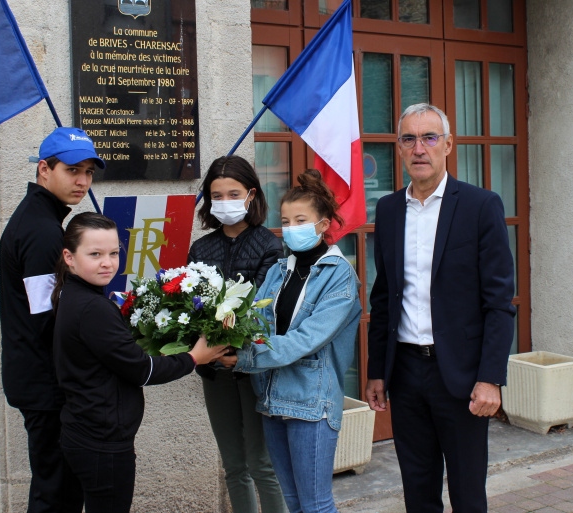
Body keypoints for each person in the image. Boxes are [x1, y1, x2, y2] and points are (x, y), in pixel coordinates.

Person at [365, 103, 516, 513]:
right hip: (407, 372)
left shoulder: (480, 205)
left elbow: (499, 303)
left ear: (448, 144)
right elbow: (384, 297)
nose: (420, 148)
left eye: (430, 137)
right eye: (410, 139)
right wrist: (377, 370)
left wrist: (490, 378)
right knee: (417, 489)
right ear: (398, 148)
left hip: (462, 376)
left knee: (468, 494)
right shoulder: (390, 209)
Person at [51, 213, 228, 512]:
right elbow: (142, 370)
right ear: (69, 257)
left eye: (113, 253)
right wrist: (195, 357)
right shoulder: (93, 308)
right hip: (101, 443)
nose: (107, 262)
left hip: (83, 432)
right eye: (95, 254)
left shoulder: (75, 295)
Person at [221, 169, 363, 513]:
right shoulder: (278, 270)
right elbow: (256, 322)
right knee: (294, 504)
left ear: (324, 224)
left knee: (316, 505)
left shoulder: (339, 276)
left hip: (311, 404)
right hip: (271, 399)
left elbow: (306, 340)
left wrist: (243, 359)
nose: (291, 228)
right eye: (285, 220)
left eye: (301, 219)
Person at [0, 127, 103, 513]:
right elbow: (49, 319)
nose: (82, 181)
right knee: (56, 493)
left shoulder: (42, 218)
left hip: (42, 380)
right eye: (73, 170)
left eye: (89, 172)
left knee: (57, 488)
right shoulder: (43, 231)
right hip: (46, 384)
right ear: (45, 169)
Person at [186, 155, 287, 513]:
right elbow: (189, 305)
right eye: (217, 195)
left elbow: (259, 308)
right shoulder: (201, 248)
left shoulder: (269, 245)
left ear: (251, 195)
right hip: (214, 370)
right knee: (234, 464)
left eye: (233, 193)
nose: (225, 201)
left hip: (253, 366)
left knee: (261, 463)